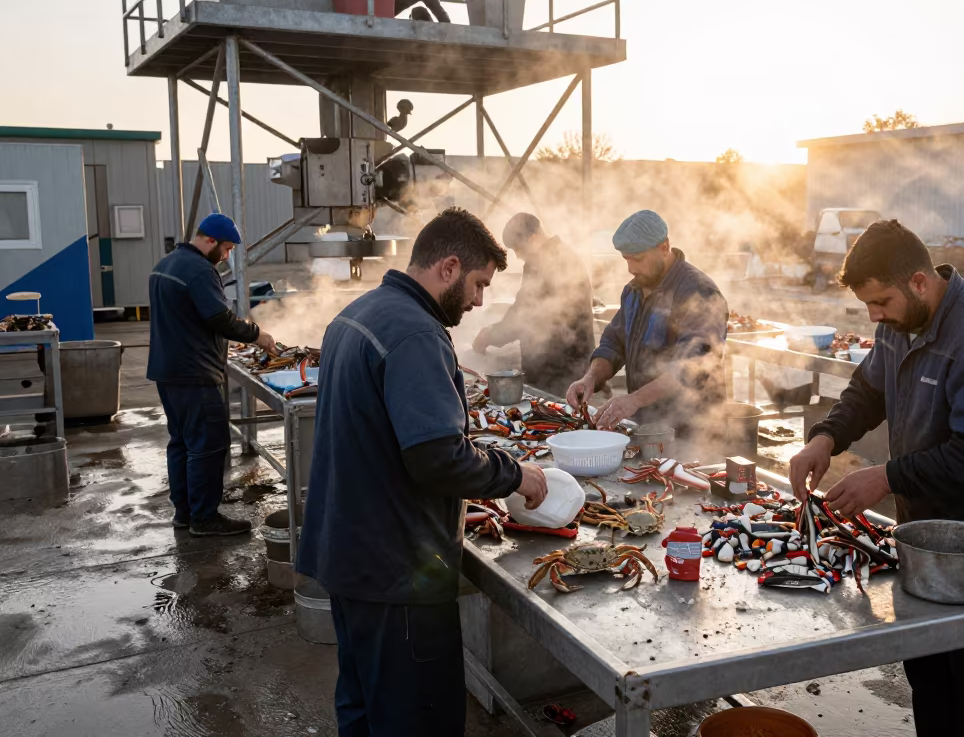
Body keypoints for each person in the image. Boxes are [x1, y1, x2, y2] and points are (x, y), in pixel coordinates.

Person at [297, 207, 549, 737]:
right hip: (398, 571)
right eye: (479, 284)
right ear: (450, 267)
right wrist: (513, 475)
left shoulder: (359, 313)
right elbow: (436, 458)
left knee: (364, 709)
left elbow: (393, 435)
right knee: (418, 721)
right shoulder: (416, 334)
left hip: (347, 556)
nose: (480, 301)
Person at [788, 219, 964, 737]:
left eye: (881, 301)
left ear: (920, 282)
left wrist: (885, 477)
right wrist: (825, 438)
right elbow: (868, 391)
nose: (874, 315)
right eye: (868, 305)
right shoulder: (899, 324)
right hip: (923, 533)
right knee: (930, 678)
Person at [147, 213, 277, 536]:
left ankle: (184, 513)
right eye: (227, 249)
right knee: (207, 446)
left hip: (168, 372)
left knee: (181, 443)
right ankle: (205, 519)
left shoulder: (164, 265)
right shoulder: (199, 271)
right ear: (210, 241)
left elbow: (187, 318)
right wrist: (258, 334)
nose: (227, 256)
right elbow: (220, 318)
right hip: (196, 375)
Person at [566, 210, 728, 441]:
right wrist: (590, 378)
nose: (630, 268)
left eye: (638, 259)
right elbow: (613, 343)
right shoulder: (633, 291)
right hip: (649, 427)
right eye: (626, 259)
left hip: (693, 432)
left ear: (664, 247)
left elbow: (694, 366)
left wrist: (634, 400)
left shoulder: (698, 292)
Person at [472, 212, 595, 394]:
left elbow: (528, 317)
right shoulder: (541, 261)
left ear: (534, 238)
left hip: (563, 370)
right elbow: (523, 306)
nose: (518, 256)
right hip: (547, 366)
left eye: (518, 249)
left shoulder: (557, 263)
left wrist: (491, 336)